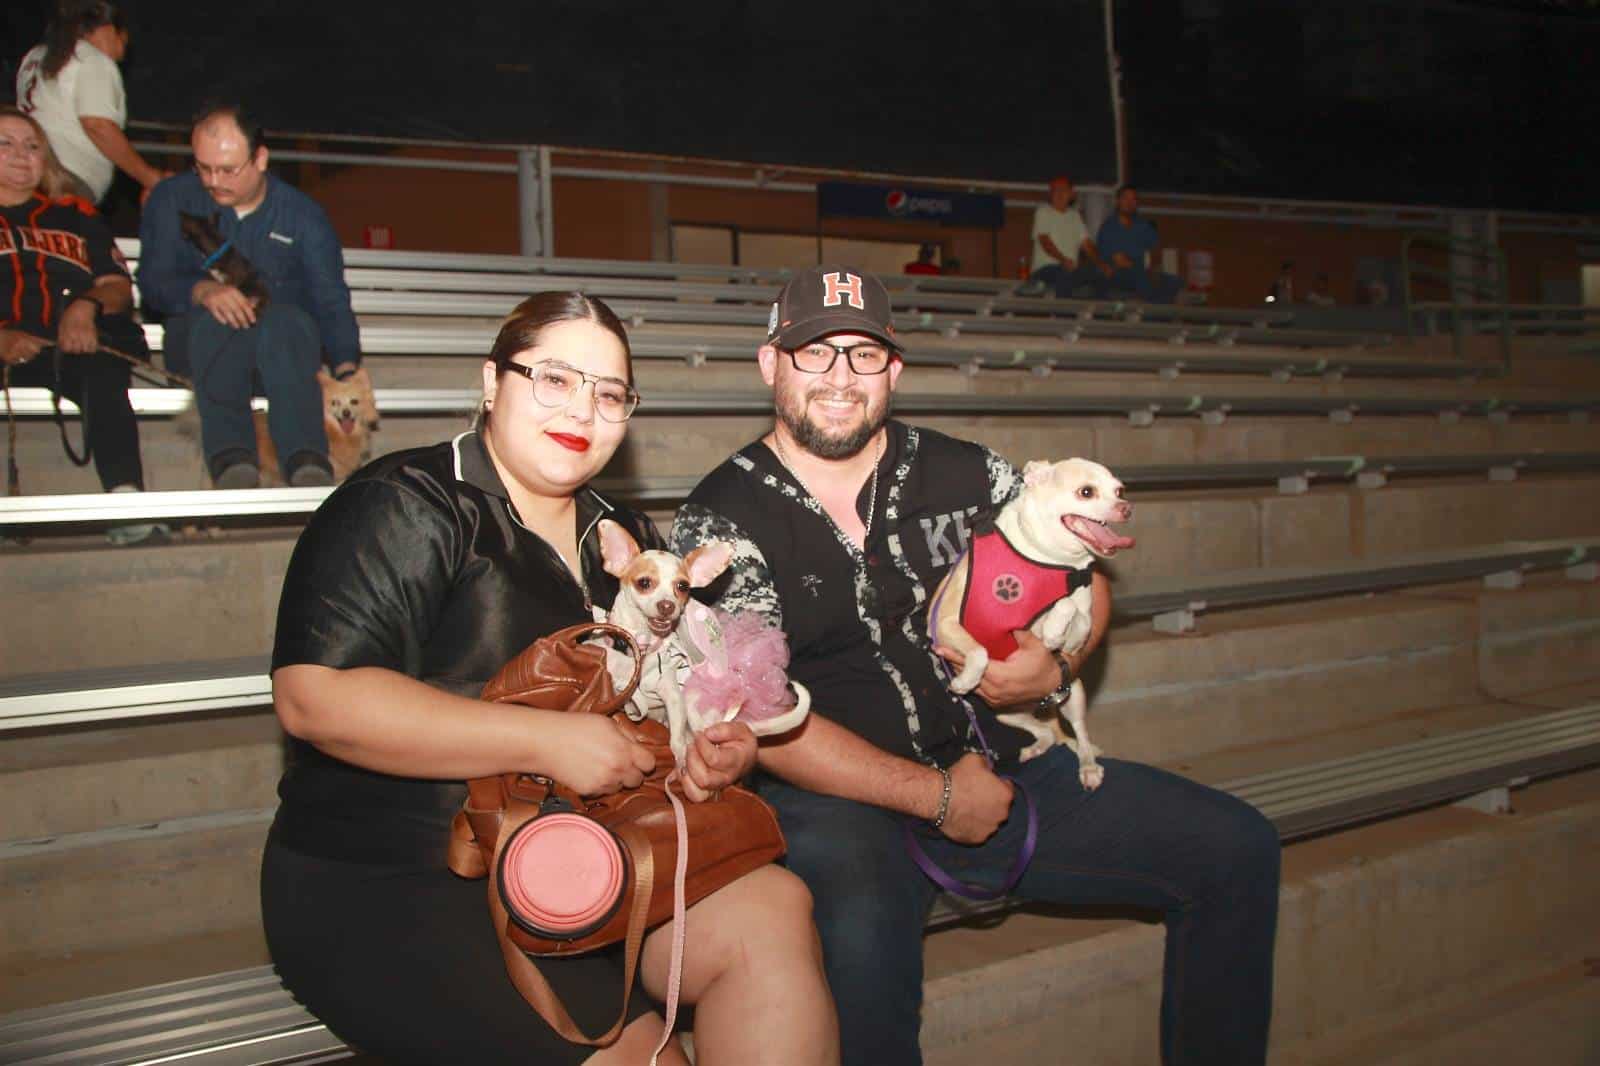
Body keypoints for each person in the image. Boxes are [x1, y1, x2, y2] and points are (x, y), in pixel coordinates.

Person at [670, 264, 1280, 1066]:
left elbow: (1085, 580)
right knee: (857, 953)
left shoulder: (968, 472)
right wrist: (936, 796)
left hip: (1004, 762)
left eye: (863, 355)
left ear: (893, 370)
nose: (840, 378)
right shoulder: (720, 518)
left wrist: (1058, 665)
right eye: (815, 353)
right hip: (839, 803)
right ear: (770, 365)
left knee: (1237, 847)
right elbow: (760, 717)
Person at [263, 291, 838, 1065]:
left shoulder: (623, 535)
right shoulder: (405, 503)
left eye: (609, 394)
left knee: (774, 910)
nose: (584, 410)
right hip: (397, 871)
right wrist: (548, 739)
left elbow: (680, 682)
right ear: (492, 383)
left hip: (596, 848)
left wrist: (710, 746)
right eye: (555, 379)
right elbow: (314, 699)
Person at [138, 100, 356, 489]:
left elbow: (330, 297)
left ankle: (306, 456)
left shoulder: (302, 216)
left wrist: (346, 367)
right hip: (201, 347)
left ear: (260, 159)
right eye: (203, 168)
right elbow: (153, 283)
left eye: (227, 169)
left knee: (289, 319)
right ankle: (231, 458)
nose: (213, 180)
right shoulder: (170, 200)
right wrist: (201, 290)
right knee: (218, 318)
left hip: (284, 354)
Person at [0, 104, 158, 545]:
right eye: (5, 144)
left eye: (32, 146)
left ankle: (126, 501)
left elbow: (116, 286)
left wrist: (85, 306)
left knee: (103, 367)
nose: (20, 155)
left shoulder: (75, 214)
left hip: (69, 341)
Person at [15, 1, 166, 205]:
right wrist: (150, 178)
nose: (119, 56)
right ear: (110, 30)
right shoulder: (92, 60)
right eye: (122, 44)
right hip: (64, 180)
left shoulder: (34, 56)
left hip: (28, 174)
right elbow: (98, 126)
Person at [1095, 184, 1183, 304]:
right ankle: (1148, 306)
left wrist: (1154, 267)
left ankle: (1150, 312)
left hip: (1141, 273)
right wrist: (1140, 268)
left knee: (1174, 281)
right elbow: (1119, 260)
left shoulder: (1143, 226)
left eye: (1133, 199)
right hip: (1116, 273)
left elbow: (1156, 250)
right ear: (1117, 201)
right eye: (1126, 198)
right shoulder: (1108, 227)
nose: (1129, 202)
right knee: (1138, 272)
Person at [1027, 175, 1110, 299]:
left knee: (1100, 273)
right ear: (1050, 195)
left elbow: (1087, 245)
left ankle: (1099, 314)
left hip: (1070, 270)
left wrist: (1101, 264)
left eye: (1063, 190)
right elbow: (1045, 242)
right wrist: (1063, 260)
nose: (1059, 193)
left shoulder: (1075, 216)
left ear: (1072, 194)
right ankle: (1063, 315)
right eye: (1055, 190)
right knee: (1063, 272)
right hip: (1044, 271)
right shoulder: (1043, 212)